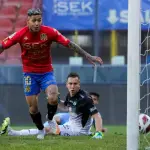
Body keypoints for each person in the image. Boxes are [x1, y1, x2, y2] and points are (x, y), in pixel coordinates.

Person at [0, 8, 103, 140]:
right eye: (34, 20)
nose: (37, 23)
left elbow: (69, 44)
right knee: (33, 108)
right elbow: (3, 46)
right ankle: (40, 129)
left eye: (39, 20)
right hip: (29, 74)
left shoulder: (49, 32)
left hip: (46, 72)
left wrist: (87, 55)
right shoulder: (20, 34)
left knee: (53, 97)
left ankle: (50, 121)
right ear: (28, 21)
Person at [0, 73, 104, 139]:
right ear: (66, 84)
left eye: (75, 84)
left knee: (47, 130)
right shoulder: (70, 95)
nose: (72, 86)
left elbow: (97, 116)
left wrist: (99, 133)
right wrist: (57, 101)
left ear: (79, 84)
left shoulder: (85, 99)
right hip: (70, 125)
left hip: (78, 131)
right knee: (46, 127)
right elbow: (66, 107)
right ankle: (13, 132)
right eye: (70, 83)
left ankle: (12, 132)